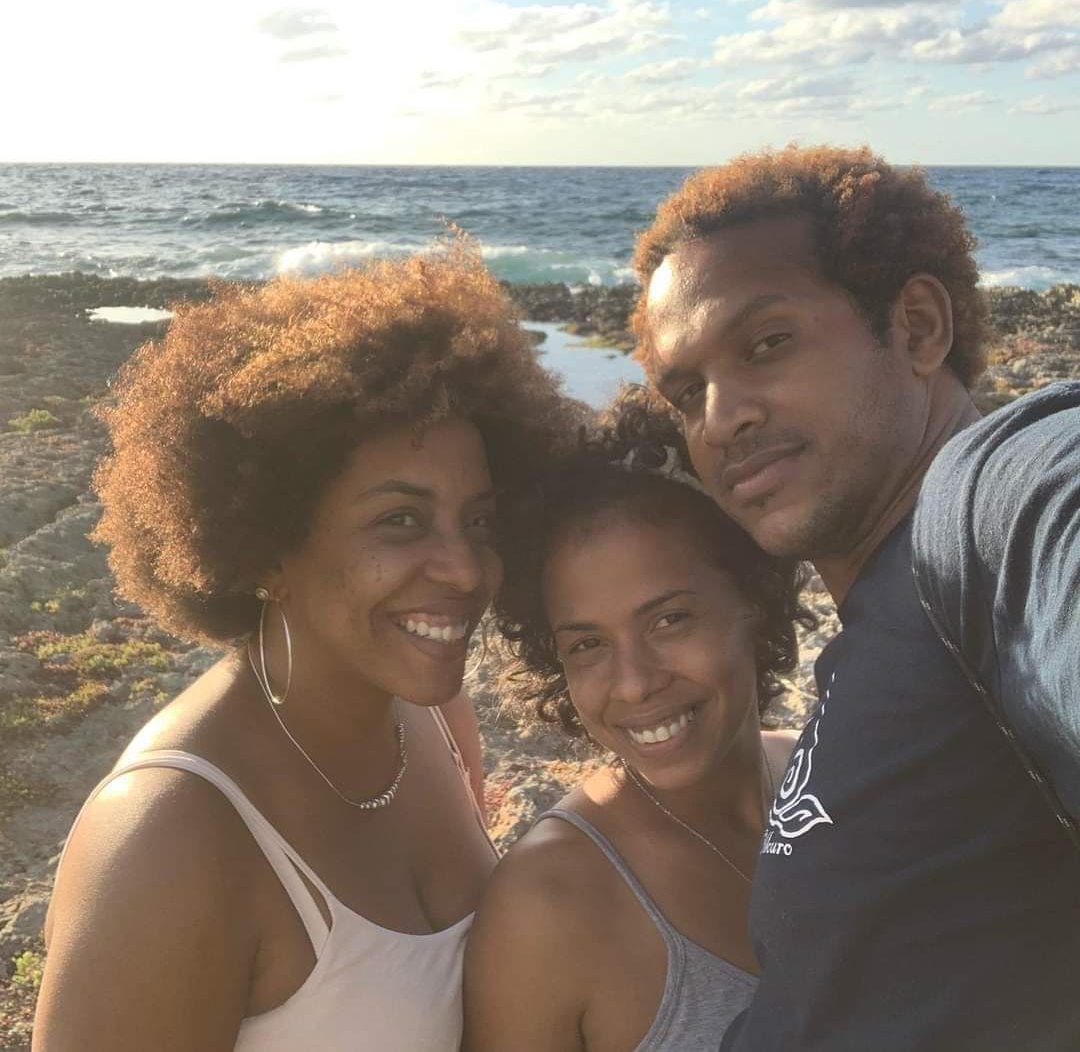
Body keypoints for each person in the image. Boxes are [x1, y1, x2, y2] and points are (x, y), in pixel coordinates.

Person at [33, 245, 575, 1051]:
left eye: (480, 520)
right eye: (400, 519)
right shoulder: (168, 834)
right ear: (268, 549)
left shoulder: (420, 715)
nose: (464, 568)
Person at [632, 144, 1080, 1050]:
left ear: (916, 326)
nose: (720, 419)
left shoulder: (989, 495)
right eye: (687, 392)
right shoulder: (894, 614)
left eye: (766, 344)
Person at [462, 388, 814, 1051]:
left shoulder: (824, 780)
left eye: (668, 618)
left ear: (755, 596)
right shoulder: (551, 904)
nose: (634, 682)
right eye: (587, 643)